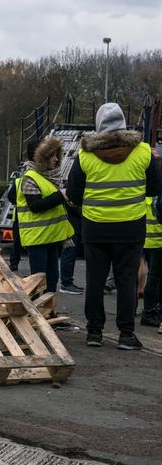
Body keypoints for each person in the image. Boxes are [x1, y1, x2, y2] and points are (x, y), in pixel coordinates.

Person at [66, 102, 162, 350]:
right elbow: (155, 188)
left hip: (96, 229)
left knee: (95, 281)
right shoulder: (142, 152)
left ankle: (94, 333)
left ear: (99, 125)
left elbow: (74, 194)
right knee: (127, 282)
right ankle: (126, 335)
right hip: (130, 229)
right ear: (122, 123)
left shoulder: (85, 155)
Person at [15, 137, 75, 293]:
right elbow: (35, 206)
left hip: (51, 237)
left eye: (57, 155)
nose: (56, 159)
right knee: (39, 280)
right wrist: (61, 195)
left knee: (53, 277)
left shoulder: (49, 177)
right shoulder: (30, 178)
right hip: (38, 239)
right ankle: (38, 311)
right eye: (52, 156)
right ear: (41, 157)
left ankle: (50, 311)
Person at [6, 140, 39, 272]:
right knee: (20, 242)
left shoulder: (20, 179)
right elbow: (11, 196)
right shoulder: (24, 180)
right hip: (22, 216)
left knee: (19, 242)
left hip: (20, 215)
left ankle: (14, 264)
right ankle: (14, 263)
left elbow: (11, 197)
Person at [140, 196, 162, 328]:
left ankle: (151, 310)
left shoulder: (147, 193)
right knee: (155, 278)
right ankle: (149, 312)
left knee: (154, 277)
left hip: (147, 240)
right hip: (158, 239)